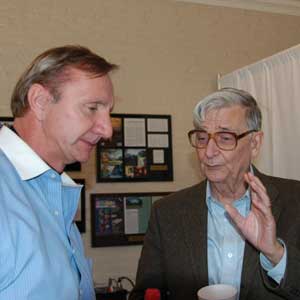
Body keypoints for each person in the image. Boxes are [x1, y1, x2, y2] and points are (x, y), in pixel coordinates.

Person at [129, 88, 300, 300]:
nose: (208, 152)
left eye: (225, 138)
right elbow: (145, 293)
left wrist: (275, 254)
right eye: (202, 138)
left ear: (255, 144)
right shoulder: (166, 212)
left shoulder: (295, 200)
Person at [0, 45, 117, 299]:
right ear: (40, 102)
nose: (107, 130)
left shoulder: (53, 191)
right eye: (92, 108)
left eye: (108, 112)